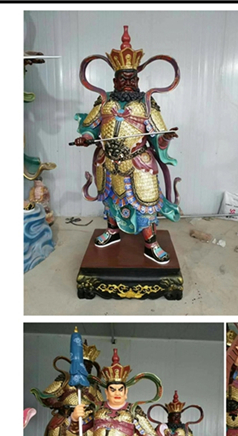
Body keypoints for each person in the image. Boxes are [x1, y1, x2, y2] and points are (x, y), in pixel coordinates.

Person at [73, 26, 180, 263]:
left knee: (145, 203)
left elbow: (158, 134)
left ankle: (151, 243)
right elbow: (91, 127)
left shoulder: (147, 103)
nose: (128, 82)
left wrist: (165, 138)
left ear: (138, 79)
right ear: (115, 80)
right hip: (107, 160)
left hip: (138, 162)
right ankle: (112, 231)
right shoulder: (104, 101)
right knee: (110, 199)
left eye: (133, 78)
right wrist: (86, 138)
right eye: (124, 78)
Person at [30, 342, 103, 436]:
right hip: (65, 417)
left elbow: (100, 404)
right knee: (54, 432)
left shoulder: (93, 384)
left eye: (89, 366)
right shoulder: (64, 379)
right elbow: (47, 396)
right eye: (83, 365)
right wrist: (62, 405)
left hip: (87, 420)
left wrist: (92, 409)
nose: (86, 369)